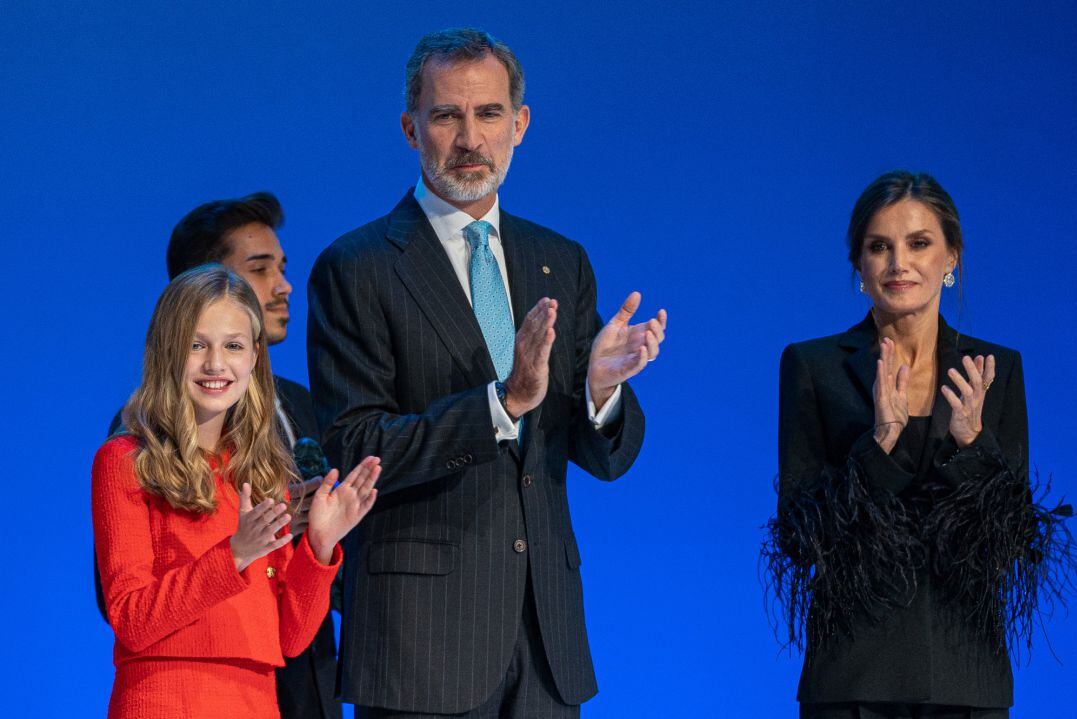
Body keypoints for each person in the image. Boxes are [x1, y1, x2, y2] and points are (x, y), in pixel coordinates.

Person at [308, 28, 667, 718]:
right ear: (411, 128)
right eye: (446, 116)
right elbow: (355, 446)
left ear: (520, 124)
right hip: (421, 644)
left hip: (545, 646)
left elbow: (603, 457)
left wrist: (601, 391)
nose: (470, 138)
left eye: (489, 114)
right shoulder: (358, 268)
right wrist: (498, 404)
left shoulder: (560, 259)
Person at [764, 171, 1072, 718]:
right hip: (854, 674)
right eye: (879, 246)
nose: (897, 263)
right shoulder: (812, 366)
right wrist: (880, 441)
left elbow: (1013, 539)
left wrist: (972, 443)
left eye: (919, 243)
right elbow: (800, 534)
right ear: (859, 264)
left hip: (966, 676)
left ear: (951, 257)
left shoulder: (995, 368)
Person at [92, 265, 381, 718]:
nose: (215, 364)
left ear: (254, 357)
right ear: (166, 350)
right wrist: (235, 555)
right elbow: (132, 618)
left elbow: (290, 637)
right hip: (165, 699)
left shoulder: (261, 472)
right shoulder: (128, 460)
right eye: (195, 344)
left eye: (232, 346)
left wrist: (320, 546)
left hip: (256, 701)